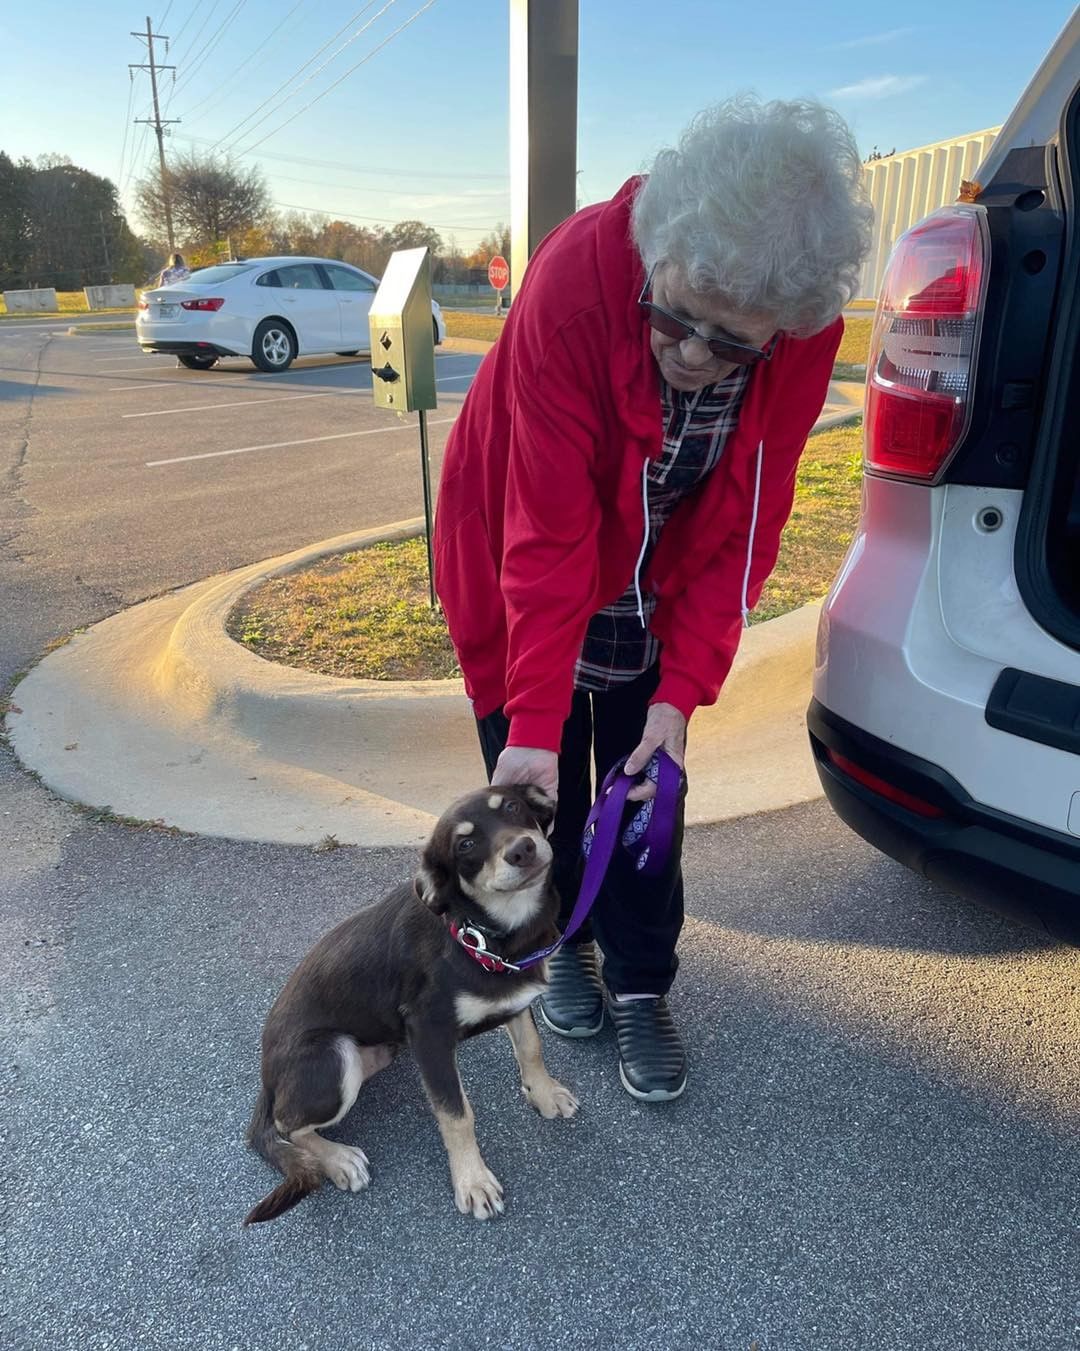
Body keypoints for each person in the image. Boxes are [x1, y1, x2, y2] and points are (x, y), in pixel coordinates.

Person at [433, 96, 873, 1103]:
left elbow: (750, 523)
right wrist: (536, 722)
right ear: (660, 249)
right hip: (520, 556)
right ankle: (563, 949)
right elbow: (544, 535)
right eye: (680, 320)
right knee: (548, 797)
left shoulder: (798, 335)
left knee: (645, 805)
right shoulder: (576, 279)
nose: (696, 357)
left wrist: (683, 692)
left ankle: (640, 985)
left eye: (734, 344)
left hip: (654, 581)